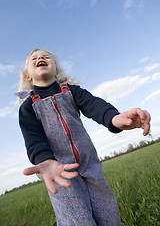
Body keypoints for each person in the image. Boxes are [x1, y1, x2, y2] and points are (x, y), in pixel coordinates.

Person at [16, 49, 151, 226]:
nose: (40, 58)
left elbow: (94, 105)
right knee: (78, 220)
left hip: (89, 164)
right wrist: (45, 160)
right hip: (59, 171)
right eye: (34, 58)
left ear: (56, 70)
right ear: (28, 77)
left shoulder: (71, 92)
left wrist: (114, 118)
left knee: (108, 211)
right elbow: (33, 138)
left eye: (46, 56)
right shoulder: (28, 108)